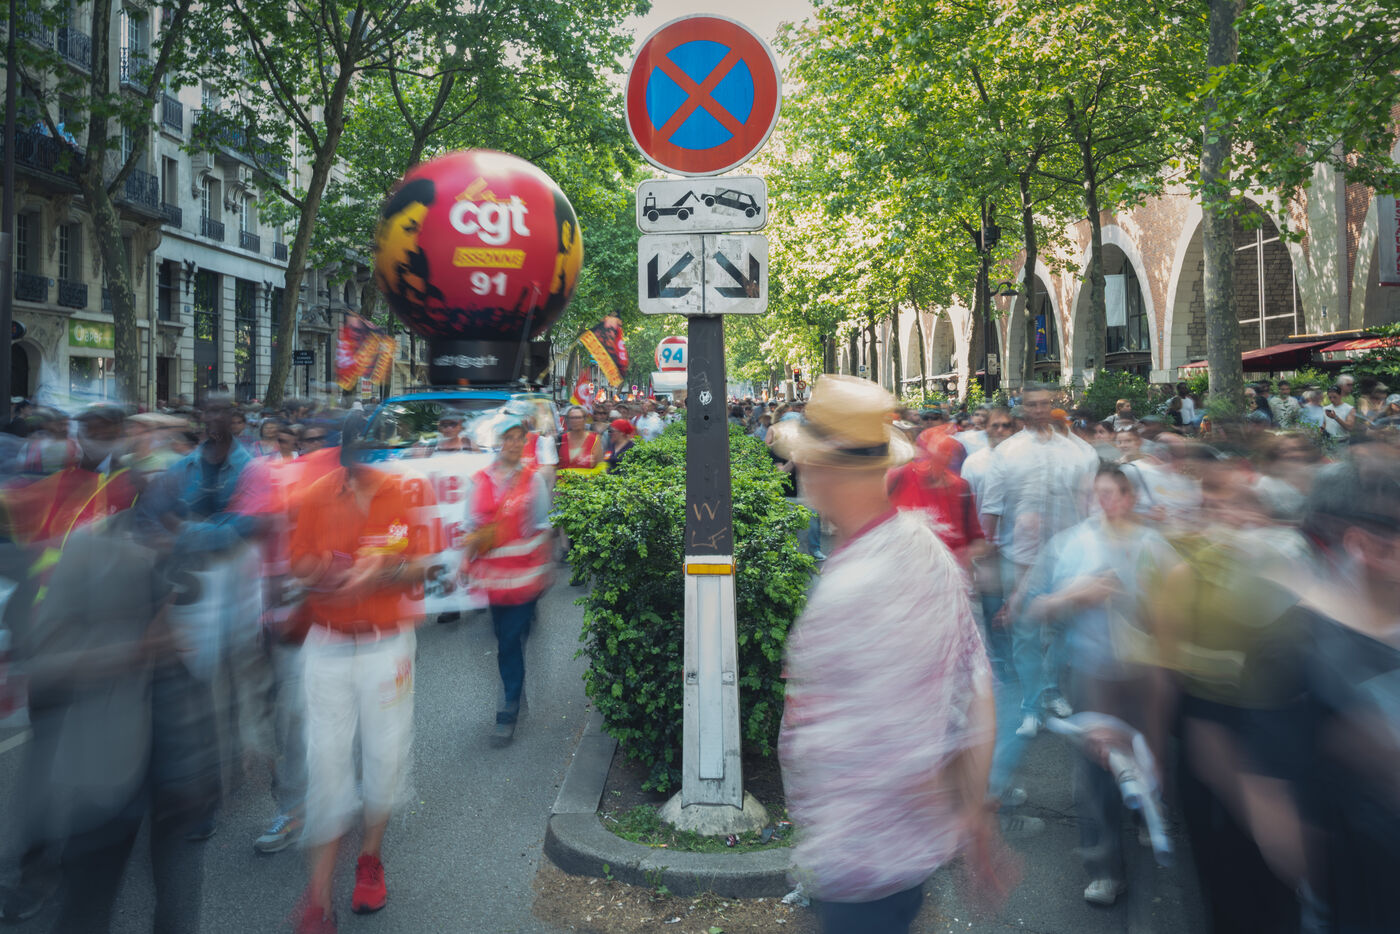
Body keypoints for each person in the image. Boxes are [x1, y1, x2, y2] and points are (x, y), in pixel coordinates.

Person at [773, 376, 1003, 933]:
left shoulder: (856, 585)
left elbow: (889, 748)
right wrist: (971, 813)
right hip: (897, 863)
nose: (799, 470)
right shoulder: (923, 545)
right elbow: (976, 690)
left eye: (805, 460)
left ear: (826, 470)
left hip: (860, 863)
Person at [289, 417, 428, 933]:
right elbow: (298, 564)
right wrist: (324, 568)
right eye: (357, 450)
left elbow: (423, 564)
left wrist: (385, 570)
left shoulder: (404, 493)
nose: (366, 460)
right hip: (327, 645)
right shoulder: (316, 496)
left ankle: (370, 858)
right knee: (326, 763)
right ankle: (319, 898)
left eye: (374, 450)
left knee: (384, 758)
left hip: (386, 645)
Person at [1017, 465, 1180, 906]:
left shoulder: (1154, 546)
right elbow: (1032, 608)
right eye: (1095, 494)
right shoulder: (1069, 545)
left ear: (1131, 498)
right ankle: (1104, 868)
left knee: (1147, 756)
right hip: (1092, 673)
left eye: (1114, 493)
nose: (1103, 502)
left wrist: (1146, 604)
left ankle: (1149, 813)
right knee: (1093, 770)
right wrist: (1074, 596)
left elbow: (1180, 616)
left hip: (1145, 672)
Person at [982, 383, 1099, 739]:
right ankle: (1030, 705)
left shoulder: (1078, 452)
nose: (1037, 410)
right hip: (1021, 556)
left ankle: (1051, 689)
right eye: (1030, 405)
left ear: (1053, 405)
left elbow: (1090, 504)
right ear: (1022, 408)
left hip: (1064, 555)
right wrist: (987, 554)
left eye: (1043, 403)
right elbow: (992, 507)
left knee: (1062, 626)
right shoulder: (1007, 452)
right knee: (1025, 632)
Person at [463, 418, 553, 746]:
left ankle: (509, 708)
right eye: (508, 438)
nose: (514, 444)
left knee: (509, 642)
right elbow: (470, 525)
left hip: (525, 581)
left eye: (519, 438)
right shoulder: (479, 481)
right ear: (498, 442)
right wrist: (467, 558)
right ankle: (516, 692)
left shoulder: (533, 480)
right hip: (495, 582)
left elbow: (543, 525)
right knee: (506, 639)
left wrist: (546, 569)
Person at [886, 429, 987, 570]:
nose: (929, 464)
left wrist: (965, 556)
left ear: (949, 458)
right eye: (928, 455)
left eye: (942, 455)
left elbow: (978, 541)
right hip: (907, 570)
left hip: (949, 573)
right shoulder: (900, 476)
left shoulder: (960, 487)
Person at [557, 406, 602, 470]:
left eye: (578, 418)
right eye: (572, 418)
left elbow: (600, 466)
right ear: (568, 420)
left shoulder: (595, 439)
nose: (575, 421)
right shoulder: (560, 439)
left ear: (585, 419)